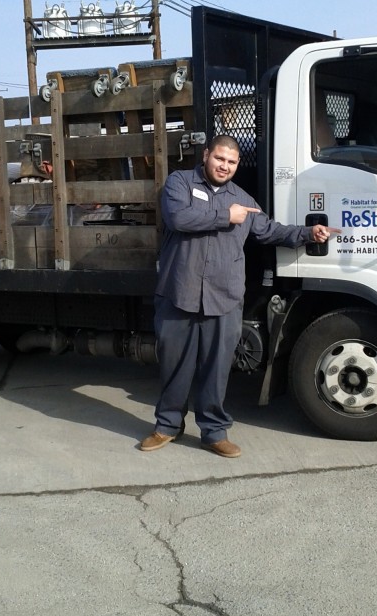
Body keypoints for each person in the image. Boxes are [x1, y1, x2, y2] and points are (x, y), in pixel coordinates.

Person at [139, 134, 332, 458]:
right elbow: (178, 219)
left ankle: (214, 432)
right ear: (206, 156)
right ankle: (167, 426)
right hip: (179, 293)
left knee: (217, 370)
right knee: (175, 366)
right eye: (219, 159)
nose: (224, 166)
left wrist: (307, 233)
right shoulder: (180, 184)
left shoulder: (243, 200)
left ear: (237, 165)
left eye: (231, 162)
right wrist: (225, 216)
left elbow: (271, 230)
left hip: (223, 298)